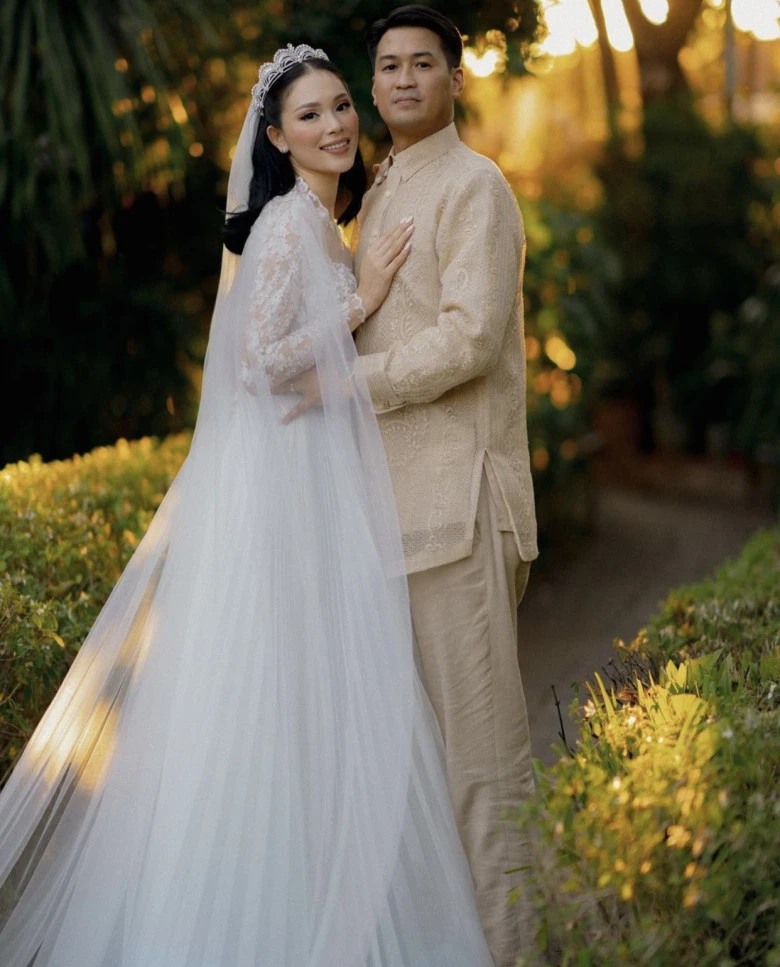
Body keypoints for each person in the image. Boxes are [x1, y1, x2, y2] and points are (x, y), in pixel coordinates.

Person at [0, 45, 494, 967]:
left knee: (321, 699)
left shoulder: (318, 221)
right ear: (275, 137)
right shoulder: (284, 225)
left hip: (313, 476)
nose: (335, 125)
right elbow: (258, 360)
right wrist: (364, 299)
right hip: (282, 488)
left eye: (341, 106)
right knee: (280, 695)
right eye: (310, 115)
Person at [353, 8, 540, 965]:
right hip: (390, 517)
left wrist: (353, 384)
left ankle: (518, 952)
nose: (403, 78)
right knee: (415, 780)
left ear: (455, 79)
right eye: (388, 65)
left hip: (461, 510)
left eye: (422, 63)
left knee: (482, 769)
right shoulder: (377, 189)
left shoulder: (475, 185)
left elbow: (470, 337)